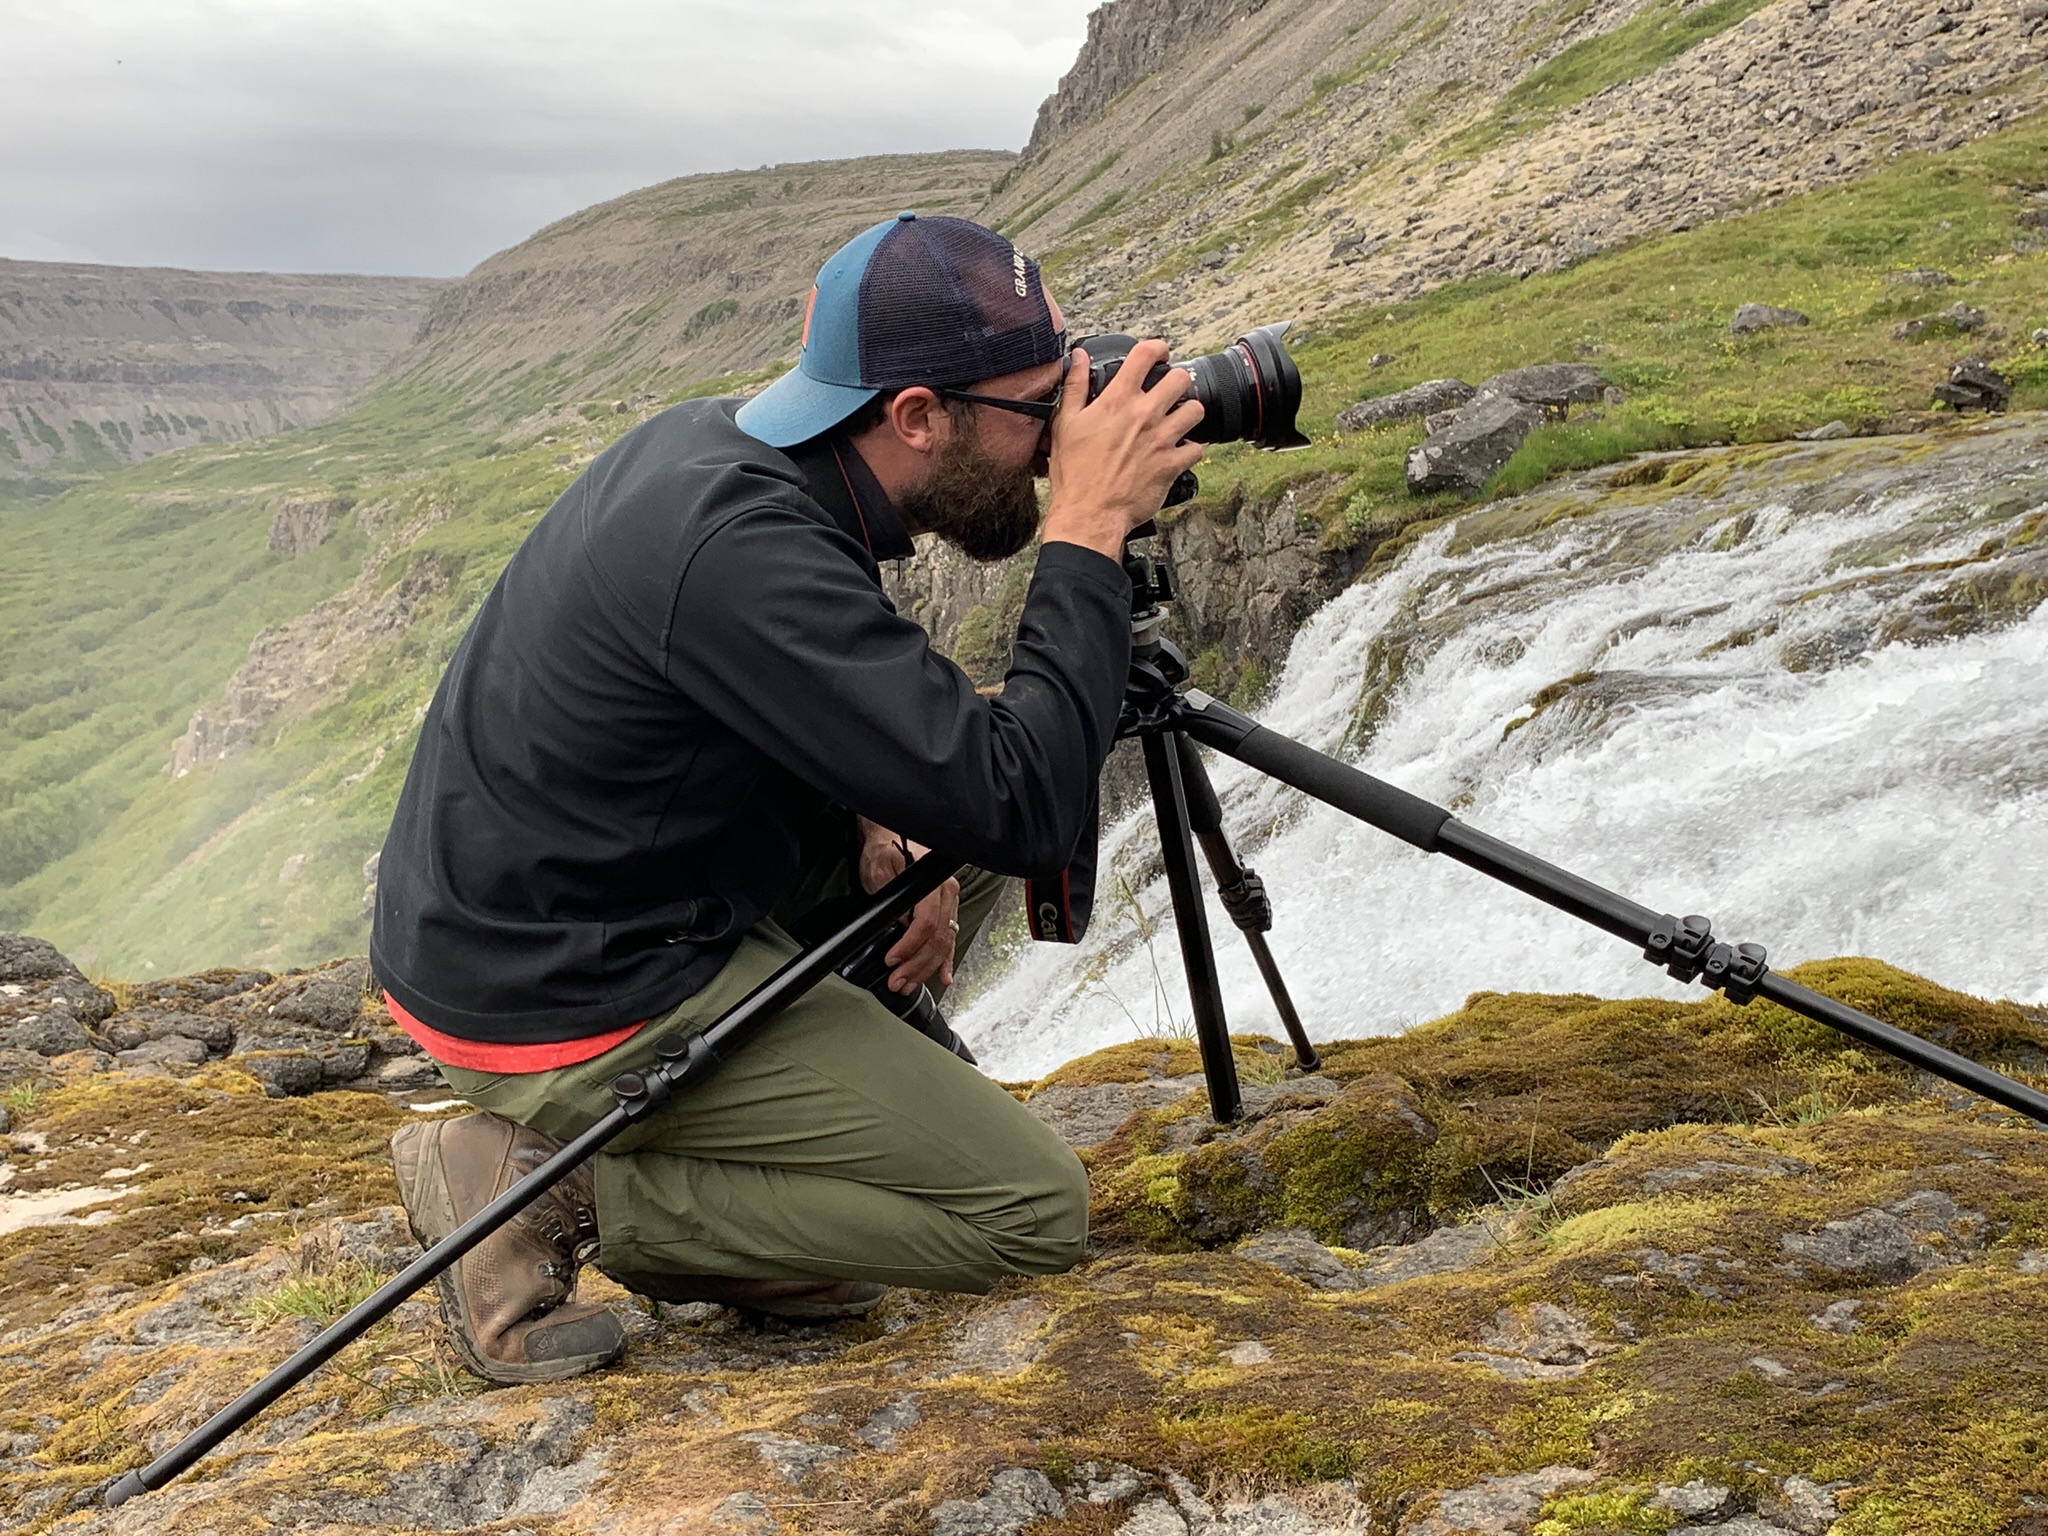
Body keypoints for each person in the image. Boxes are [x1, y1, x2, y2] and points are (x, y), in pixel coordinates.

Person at [370, 212, 1204, 1384]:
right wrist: (1087, 528)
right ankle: (545, 1193)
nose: (1062, 439)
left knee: (940, 834)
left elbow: (767, 694)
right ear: (915, 415)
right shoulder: (741, 548)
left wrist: (870, 812)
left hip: (587, 893)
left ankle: (811, 1126)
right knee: (1025, 1212)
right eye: (1040, 411)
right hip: (562, 992)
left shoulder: (736, 455)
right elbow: (1025, 806)